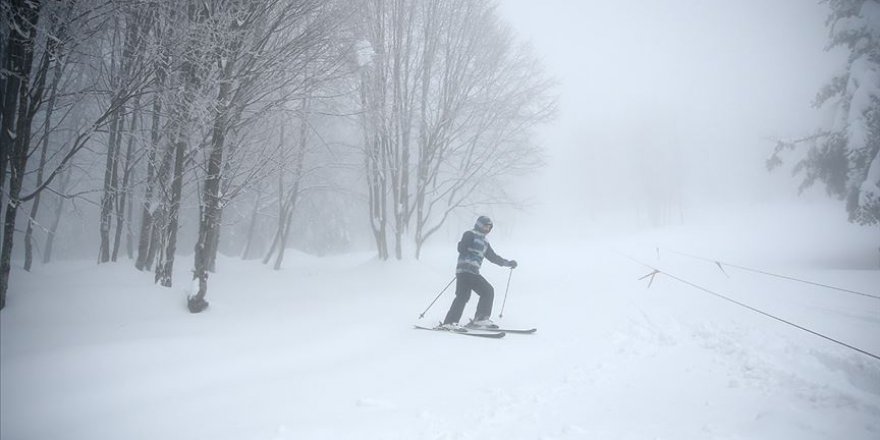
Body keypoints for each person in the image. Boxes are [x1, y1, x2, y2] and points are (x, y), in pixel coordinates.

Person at [440, 216, 517, 330]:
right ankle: (456, 322)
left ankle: (470, 320)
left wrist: (508, 263)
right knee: (476, 293)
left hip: (473, 272)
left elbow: (493, 257)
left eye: (489, 227)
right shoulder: (470, 234)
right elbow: (461, 248)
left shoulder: (485, 242)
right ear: (479, 225)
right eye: (485, 226)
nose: (487, 229)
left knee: (476, 293)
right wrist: (465, 246)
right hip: (465, 271)